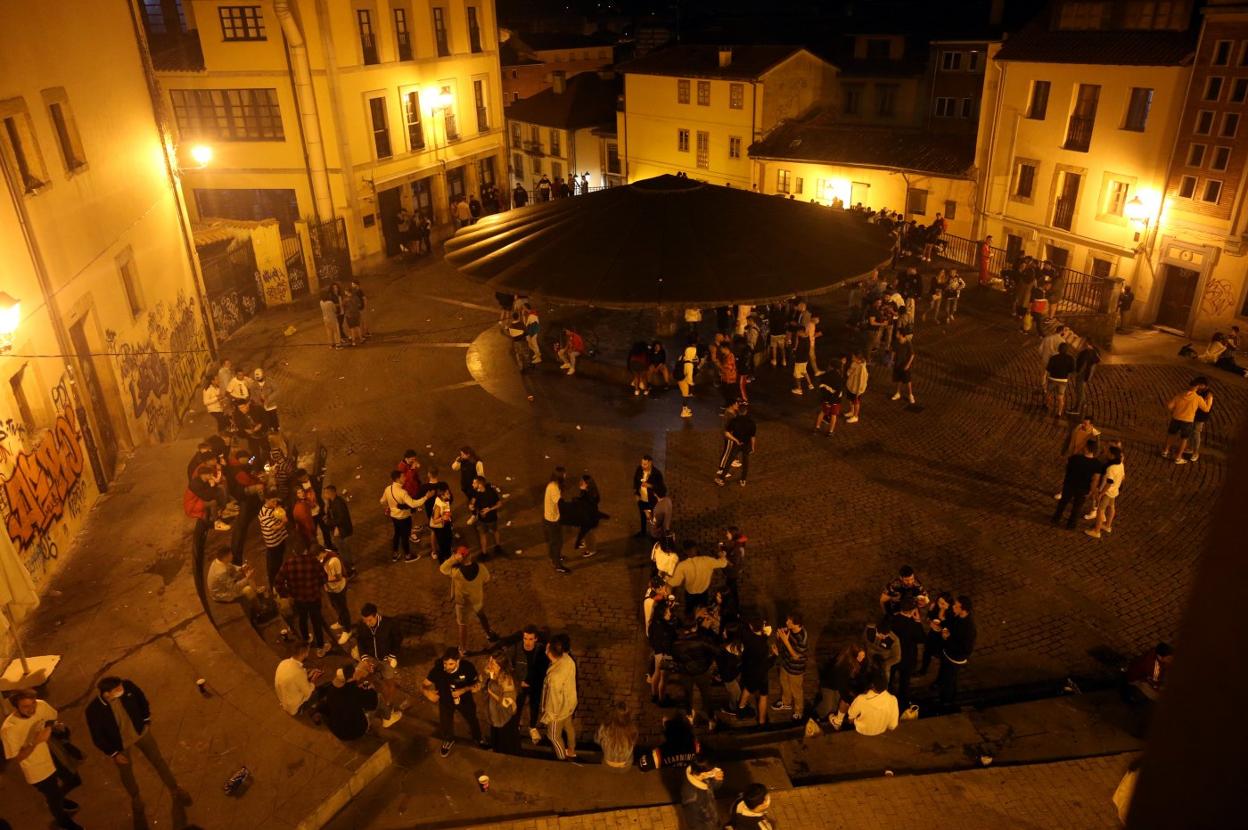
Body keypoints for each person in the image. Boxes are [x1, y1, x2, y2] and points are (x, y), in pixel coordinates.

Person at [85, 677, 191, 813]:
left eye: (121, 687)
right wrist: (114, 753)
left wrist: (146, 719)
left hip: (140, 733)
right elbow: (97, 737)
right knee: (126, 772)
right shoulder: (94, 711)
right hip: (119, 745)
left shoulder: (128, 686)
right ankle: (135, 797)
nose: (122, 690)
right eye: (117, 690)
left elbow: (142, 700)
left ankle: (175, 788)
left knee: (158, 760)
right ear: (106, 694)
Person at [2, 689, 83, 830]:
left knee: (74, 780)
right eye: (26, 706)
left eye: (33, 703)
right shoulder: (9, 729)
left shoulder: (41, 705)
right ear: (16, 707)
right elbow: (17, 757)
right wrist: (36, 741)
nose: (32, 709)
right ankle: (62, 820)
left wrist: (54, 726)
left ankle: (58, 798)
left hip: (54, 754)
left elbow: (50, 718)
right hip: (38, 768)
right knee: (53, 797)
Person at [424, 648, 486, 756]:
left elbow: (476, 683)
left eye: (451, 664)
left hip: (465, 700)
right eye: (445, 664)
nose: (447, 667)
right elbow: (424, 684)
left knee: (472, 718)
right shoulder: (438, 669)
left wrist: (464, 690)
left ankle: (478, 737)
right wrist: (427, 693)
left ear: (458, 661)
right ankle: (448, 740)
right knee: (445, 722)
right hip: (445, 700)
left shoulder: (467, 667)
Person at [440, 546, 500, 653]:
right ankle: (489, 634)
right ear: (470, 555)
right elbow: (487, 579)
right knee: (481, 615)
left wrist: (453, 559)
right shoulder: (481, 567)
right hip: (477, 599)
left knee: (463, 625)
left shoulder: (456, 572)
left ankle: (463, 649)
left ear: (459, 558)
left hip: (463, 604)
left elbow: (443, 568)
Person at [275, 543, 330, 656]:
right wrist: (316, 585)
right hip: (314, 597)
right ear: (306, 550)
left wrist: (287, 594)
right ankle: (320, 647)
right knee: (316, 622)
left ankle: (305, 640)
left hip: (298, 599)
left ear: (294, 551)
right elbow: (324, 578)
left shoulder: (288, 563)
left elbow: (278, 582)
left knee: (303, 619)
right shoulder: (314, 562)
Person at [504, 624, 550, 744]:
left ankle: (532, 727)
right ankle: (516, 726)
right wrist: (519, 682)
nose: (527, 642)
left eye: (530, 639)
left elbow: (543, 669)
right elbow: (507, 666)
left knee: (534, 706)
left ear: (536, 639)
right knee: (518, 705)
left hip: (535, 685)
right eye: (525, 638)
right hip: (520, 685)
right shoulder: (516, 649)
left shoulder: (541, 650)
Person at [540, 636, 578, 759]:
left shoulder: (554, 678)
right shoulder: (568, 659)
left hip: (558, 712)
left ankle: (562, 758)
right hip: (569, 705)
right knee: (569, 727)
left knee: (553, 736)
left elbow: (554, 699)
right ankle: (571, 750)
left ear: (549, 652)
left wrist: (550, 716)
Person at [1162, 377, 1213, 464]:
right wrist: (1208, 400)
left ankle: (1165, 451)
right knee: (1184, 439)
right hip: (1187, 421)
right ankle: (1178, 457)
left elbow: (1169, 406)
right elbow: (1206, 409)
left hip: (1175, 418)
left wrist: (1176, 411)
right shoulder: (1197, 398)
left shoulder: (1180, 395)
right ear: (1196, 388)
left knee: (1171, 435)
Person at [937, 596, 976, 709]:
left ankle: (946, 701)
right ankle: (942, 690)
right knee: (945, 675)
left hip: (955, 658)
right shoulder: (958, 616)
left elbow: (966, 649)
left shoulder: (969, 628)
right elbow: (948, 623)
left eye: (956, 606)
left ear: (963, 610)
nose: (952, 607)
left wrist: (947, 638)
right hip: (947, 653)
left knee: (949, 680)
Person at [381, 469, 427, 562]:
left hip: (394, 517)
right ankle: (408, 556)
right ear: (398, 479)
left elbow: (382, 501)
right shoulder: (402, 492)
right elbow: (413, 504)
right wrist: (426, 497)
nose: (405, 478)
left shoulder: (388, 488)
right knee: (405, 536)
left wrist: (387, 508)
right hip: (404, 518)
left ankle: (395, 554)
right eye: (403, 476)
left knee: (397, 534)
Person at [321, 664, 379, 740]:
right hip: (354, 731)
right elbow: (373, 704)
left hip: (335, 727)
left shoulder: (331, 689)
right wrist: (372, 689)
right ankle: (381, 721)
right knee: (378, 700)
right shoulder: (356, 693)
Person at [1054, 439, 1101, 530]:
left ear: (1086, 448)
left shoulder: (1075, 458)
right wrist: (1091, 491)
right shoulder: (1097, 464)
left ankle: (1056, 518)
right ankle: (1071, 525)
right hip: (1084, 488)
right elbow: (1095, 479)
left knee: (1063, 503)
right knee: (1077, 507)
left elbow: (1067, 469)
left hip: (1070, 484)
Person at [735, 615, 773, 725]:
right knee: (763, 695)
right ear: (762, 627)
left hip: (749, 670)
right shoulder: (763, 645)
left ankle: (741, 708)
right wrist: (774, 656)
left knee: (747, 688)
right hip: (761, 674)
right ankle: (761, 721)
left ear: (751, 627)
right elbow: (766, 664)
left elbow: (753, 636)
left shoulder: (747, 637)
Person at [207, 547, 262, 619]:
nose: (232, 555)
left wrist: (241, 568)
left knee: (247, 576)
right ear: (225, 558)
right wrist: (247, 578)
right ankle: (258, 611)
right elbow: (234, 588)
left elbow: (231, 566)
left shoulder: (218, 561)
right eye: (231, 554)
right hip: (222, 594)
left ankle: (256, 592)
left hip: (226, 585)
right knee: (248, 590)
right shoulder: (221, 572)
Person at [772, 612, 809, 721]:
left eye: (789, 621)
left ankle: (799, 711)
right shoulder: (790, 630)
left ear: (796, 624)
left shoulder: (803, 637)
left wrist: (785, 640)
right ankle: (786, 702)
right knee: (784, 684)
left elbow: (796, 656)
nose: (786, 622)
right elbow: (786, 646)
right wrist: (779, 638)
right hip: (786, 663)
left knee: (796, 691)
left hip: (796, 668)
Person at [274, 642, 326, 718]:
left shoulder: (283, 663)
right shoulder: (298, 673)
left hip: (284, 700)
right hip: (295, 708)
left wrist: (307, 674)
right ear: (304, 654)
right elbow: (308, 692)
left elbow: (296, 675)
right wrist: (313, 679)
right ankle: (311, 708)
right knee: (325, 688)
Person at [1085, 445, 1125, 539]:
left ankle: (1097, 531)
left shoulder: (1111, 468)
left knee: (1100, 510)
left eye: (1108, 453)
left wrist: (1101, 493)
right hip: (1115, 490)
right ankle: (1107, 526)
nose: (1106, 453)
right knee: (1111, 507)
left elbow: (1109, 483)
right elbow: (1123, 477)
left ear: (1112, 455)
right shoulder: (1121, 464)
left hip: (1108, 492)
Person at [483, 653, 520, 753]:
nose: (490, 665)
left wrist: (491, 693)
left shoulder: (507, 680)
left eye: (493, 664)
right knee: (495, 731)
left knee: (503, 734)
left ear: (500, 666)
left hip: (503, 714)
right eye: (491, 662)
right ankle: (496, 748)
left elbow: (506, 702)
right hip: (495, 711)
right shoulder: (495, 673)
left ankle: (504, 751)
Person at [715, 403, 756, 487]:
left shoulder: (734, 421)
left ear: (738, 411)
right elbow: (753, 437)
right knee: (745, 462)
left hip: (737, 444)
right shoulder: (751, 422)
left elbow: (727, 433)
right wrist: (752, 447)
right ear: (746, 411)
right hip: (746, 444)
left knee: (729, 461)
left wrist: (736, 440)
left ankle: (721, 479)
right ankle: (743, 480)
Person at [847, 670, 899, 736]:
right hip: (881, 730)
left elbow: (851, 715)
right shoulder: (893, 699)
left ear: (872, 686)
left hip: (861, 730)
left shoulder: (861, 699)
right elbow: (893, 725)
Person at [680, 756, 724, 830]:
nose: (715, 771)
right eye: (712, 770)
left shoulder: (697, 771)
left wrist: (718, 779)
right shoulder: (692, 799)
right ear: (703, 774)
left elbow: (713, 787)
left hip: (712, 819)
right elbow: (694, 823)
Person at [595, 701, 638, 769]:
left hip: (607, 761)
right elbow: (633, 743)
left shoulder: (605, 726)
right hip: (625, 763)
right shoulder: (632, 728)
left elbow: (597, 740)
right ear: (627, 714)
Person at [469, 475, 504, 558]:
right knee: (487, 533)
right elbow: (473, 501)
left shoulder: (490, 492)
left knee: (491, 532)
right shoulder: (476, 492)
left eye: (474, 483)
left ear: (480, 484)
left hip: (490, 518)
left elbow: (500, 504)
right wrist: (471, 505)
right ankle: (488, 551)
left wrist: (490, 509)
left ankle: (493, 549)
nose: (472, 484)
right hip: (484, 519)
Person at [322, 484, 355, 573]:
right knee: (342, 548)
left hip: (342, 530)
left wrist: (329, 523)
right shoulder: (332, 502)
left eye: (325, 493)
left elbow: (341, 519)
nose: (324, 495)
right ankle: (348, 566)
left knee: (343, 549)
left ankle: (350, 568)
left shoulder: (338, 504)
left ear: (330, 493)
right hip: (338, 529)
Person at [544, 467, 570, 574]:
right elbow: (559, 502)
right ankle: (557, 564)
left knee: (553, 541)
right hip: (553, 519)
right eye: (564, 474)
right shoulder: (554, 487)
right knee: (558, 542)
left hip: (549, 516)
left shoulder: (552, 484)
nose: (565, 476)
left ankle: (553, 556)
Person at [319, 545, 351, 631]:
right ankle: (341, 622)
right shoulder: (322, 559)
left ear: (321, 553)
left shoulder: (333, 560)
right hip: (330, 589)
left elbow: (338, 577)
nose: (318, 559)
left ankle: (348, 630)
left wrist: (323, 579)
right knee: (335, 606)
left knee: (343, 609)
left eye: (318, 557)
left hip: (338, 588)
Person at [632, 455, 664, 538]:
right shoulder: (639, 469)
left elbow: (661, 488)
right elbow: (635, 480)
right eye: (642, 463)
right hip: (641, 499)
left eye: (645, 464)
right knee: (642, 515)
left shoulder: (656, 474)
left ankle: (655, 534)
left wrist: (650, 485)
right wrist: (636, 492)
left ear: (650, 463)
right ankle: (643, 532)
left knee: (653, 518)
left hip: (651, 500)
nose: (643, 465)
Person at [1045, 343, 1077, 417]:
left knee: (1049, 393)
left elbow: (1048, 368)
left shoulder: (1053, 358)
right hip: (1063, 380)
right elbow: (1072, 370)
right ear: (1067, 350)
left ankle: (1048, 405)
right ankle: (1059, 412)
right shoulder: (1070, 358)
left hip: (1052, 378)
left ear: (1058, 349)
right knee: (1060, 397)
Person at [890, 328, 916, 404]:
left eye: (897, 333)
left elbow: (912, 355)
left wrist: (908, 365)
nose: (896, 334)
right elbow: (894, 352)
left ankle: (911, 395)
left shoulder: (908, 343)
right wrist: (892, 360)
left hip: (905, 364)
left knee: (908, 380)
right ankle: (898, 393)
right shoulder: (896, 342)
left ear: (901, 334)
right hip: (897, 363)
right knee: (899, 379)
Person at [844, 351, 868, 423]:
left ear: (858, 359)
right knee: (851, 400)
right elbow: (849, 372)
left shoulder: (862, 368)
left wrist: (859, 391)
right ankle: (852, 411)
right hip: (851, 386)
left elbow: (862, 381)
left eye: (853, 357)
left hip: (856, 389)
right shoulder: (854, 363)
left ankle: (855, 416)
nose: (852, 358)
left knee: (856, 402)